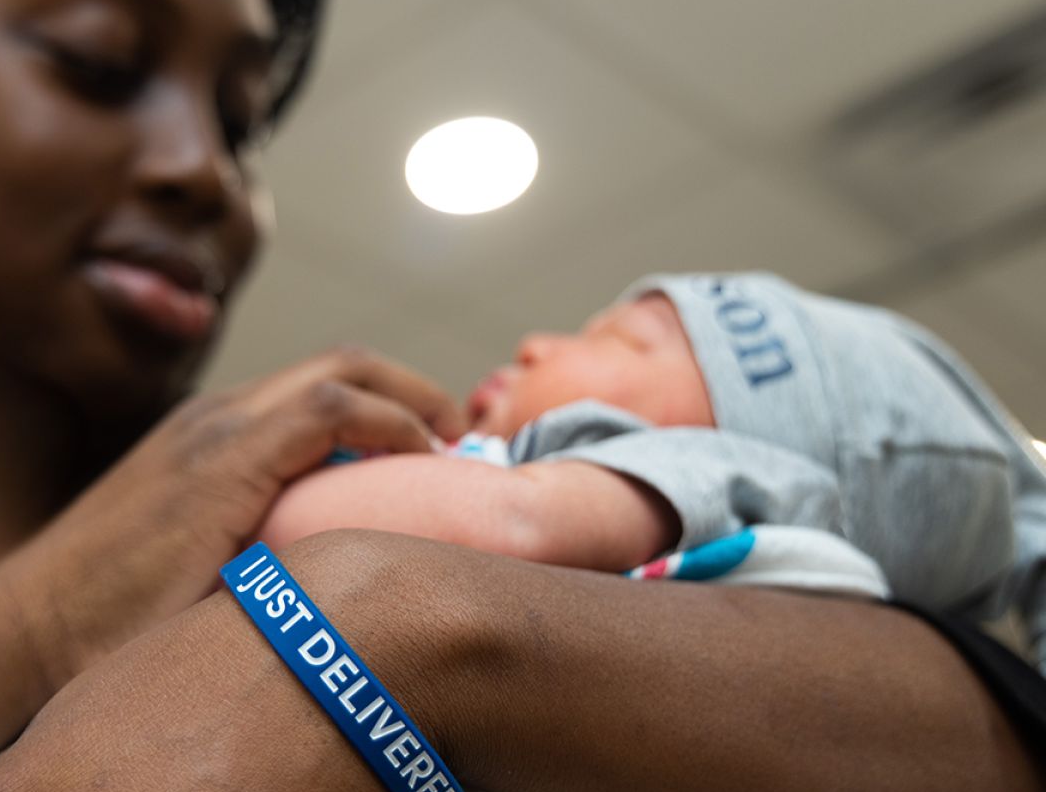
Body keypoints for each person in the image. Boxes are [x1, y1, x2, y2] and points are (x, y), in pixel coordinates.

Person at [0, 0, 1042, 792]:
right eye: (99, 61)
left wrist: (391, 624)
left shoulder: (361, 496)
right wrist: (29, 624)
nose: (204, 170)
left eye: (246, 117)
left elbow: (992, 783)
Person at [262, 272, 1046, 630]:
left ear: (724, 435)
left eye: (624, 341)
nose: (537, 343)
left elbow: (514, 523)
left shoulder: (718, 475)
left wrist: (274, 491)